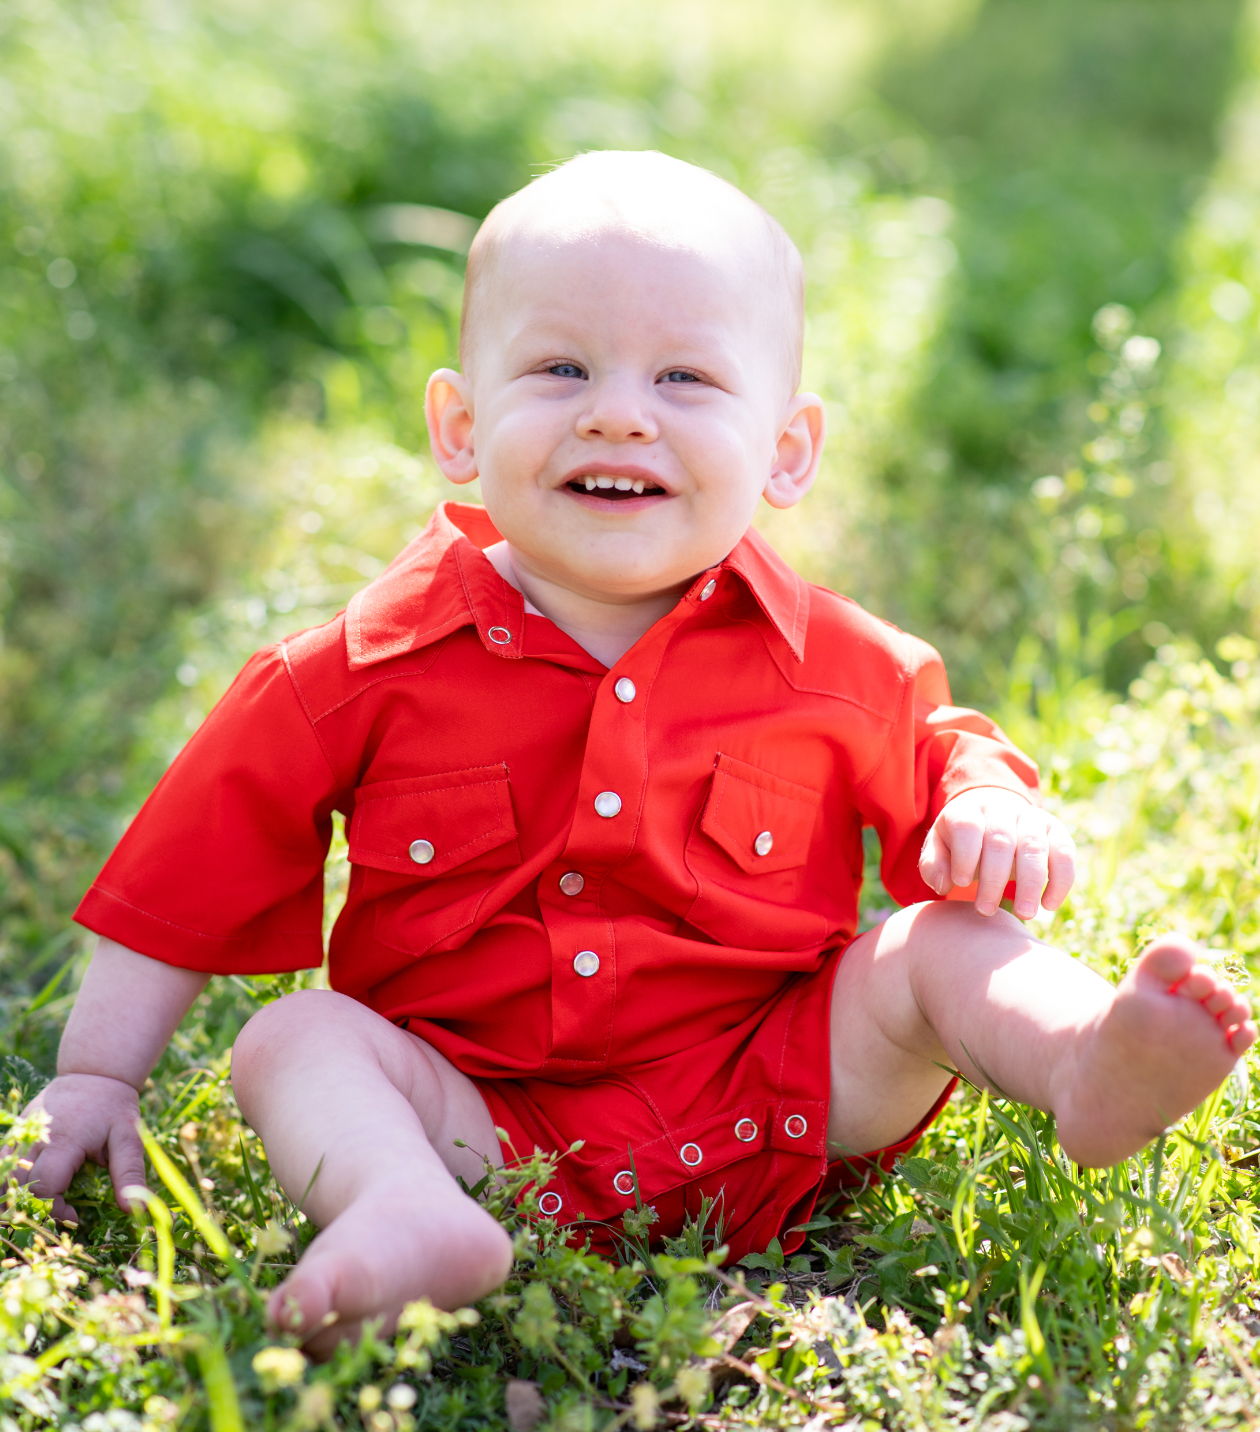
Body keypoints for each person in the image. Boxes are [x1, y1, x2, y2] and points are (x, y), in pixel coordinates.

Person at [18, 152, 1255, 1357]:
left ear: (787, 451)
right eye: (560, 367)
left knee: (941, 948)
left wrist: (992, 805)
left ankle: (1086, 1058)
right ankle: (404, 1207)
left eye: (684, 377)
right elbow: (188, 873)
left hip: (782, 1091)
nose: (618, 410)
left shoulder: (833, 660)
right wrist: (99, 1074)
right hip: (474, 1117)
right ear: (459, 424)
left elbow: (947, 754)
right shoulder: (351, 673)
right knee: (293, 1040)